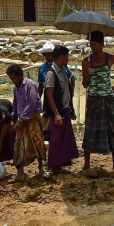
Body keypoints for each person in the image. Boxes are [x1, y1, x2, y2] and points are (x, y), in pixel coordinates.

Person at [80, 30, 114, 174]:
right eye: (91, 45)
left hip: (108, 99)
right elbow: (85, 84)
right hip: (92, 99)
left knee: (111, 129)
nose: (93, 48)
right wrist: (85, 71)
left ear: (102, 44)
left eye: (95, 45)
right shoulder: (86, 61)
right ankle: (86, 164)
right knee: (90, 129)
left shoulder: (110, 59)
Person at [8, 64, 48, 181]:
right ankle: (20, 173)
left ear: (20, 75)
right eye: (11, 79)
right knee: (19, 145)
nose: (13, 81)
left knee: (37, 142)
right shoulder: (16, 88)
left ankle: (41, 169)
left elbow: (31, 103)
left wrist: (21, 119)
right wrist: (13, 119)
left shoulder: (30, 85)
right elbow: (15, 105)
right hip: (21, 119)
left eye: (14, 78)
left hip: (32, 118)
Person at [44, 46, 79, 174]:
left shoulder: (64, 71)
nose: (68, 59)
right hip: (58, 112)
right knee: (57, 139)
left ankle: (61, 165)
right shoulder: (51, 73)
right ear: (61, 57)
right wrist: (57, 114)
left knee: (65, 139)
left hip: (65, 109)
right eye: (67, 56)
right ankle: (52, 166)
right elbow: (49, 94)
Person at [38, 42, 72, 142]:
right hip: (51, 103)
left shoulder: (63, 67)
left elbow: (71, 78)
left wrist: (71, 96)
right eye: (47, 55)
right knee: (51, 131)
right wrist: (37, 100)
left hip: (62, 102)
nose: (49, 57)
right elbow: (42, 87)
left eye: (51, 55)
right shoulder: (44, 69)